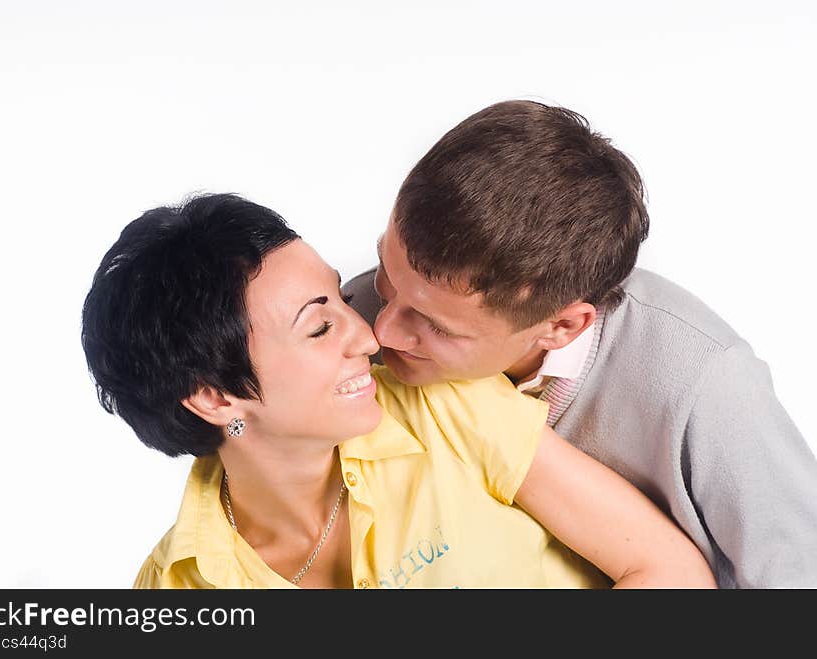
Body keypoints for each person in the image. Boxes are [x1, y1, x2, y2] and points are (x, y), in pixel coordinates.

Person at [81, 193, 715, 589]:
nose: (366, 333)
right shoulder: (175, 589)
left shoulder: (447, 408)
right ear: (216, 398)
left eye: (337, 294)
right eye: (320, 324)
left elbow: (670, 573)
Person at [341, 100, 817, 589]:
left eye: (436, 325)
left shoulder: (707, 383)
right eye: (387, 272)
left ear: (563, 327)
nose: (379, 332)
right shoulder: (346, 320)